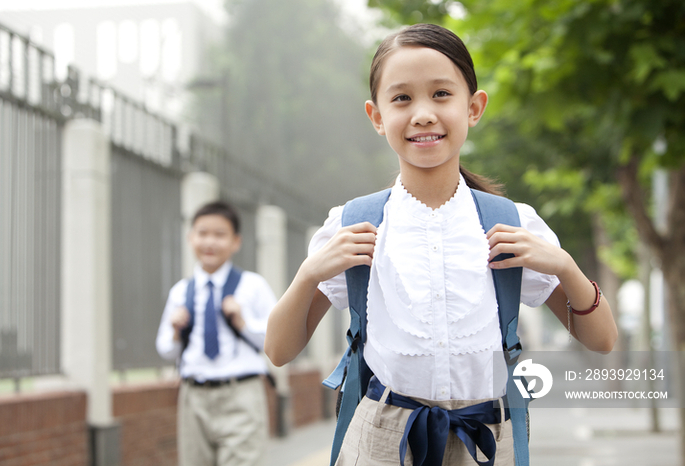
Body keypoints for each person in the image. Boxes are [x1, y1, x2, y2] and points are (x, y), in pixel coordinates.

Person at [264, 23, 618, 466]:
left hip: (486, 440)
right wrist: (309, 273)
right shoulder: (354, 225)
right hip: (381, 441)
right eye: (402, 98)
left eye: (441, 94)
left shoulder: (512, 224)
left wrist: (565, 267)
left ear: (474, 107)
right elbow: (278, 351)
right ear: (377, 117)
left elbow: (602, 339)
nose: (423, 114)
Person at [156, 201, 275, 466]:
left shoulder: (253, 286)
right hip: (193, 397)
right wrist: (176, 331)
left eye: (220, 234)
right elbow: (166, 349)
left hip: (241, 394)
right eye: (202, 233)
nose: (210, 241)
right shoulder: (180, 292)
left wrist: (243, 322)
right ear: (190, 238)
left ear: (236, 241)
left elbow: (276, 341)